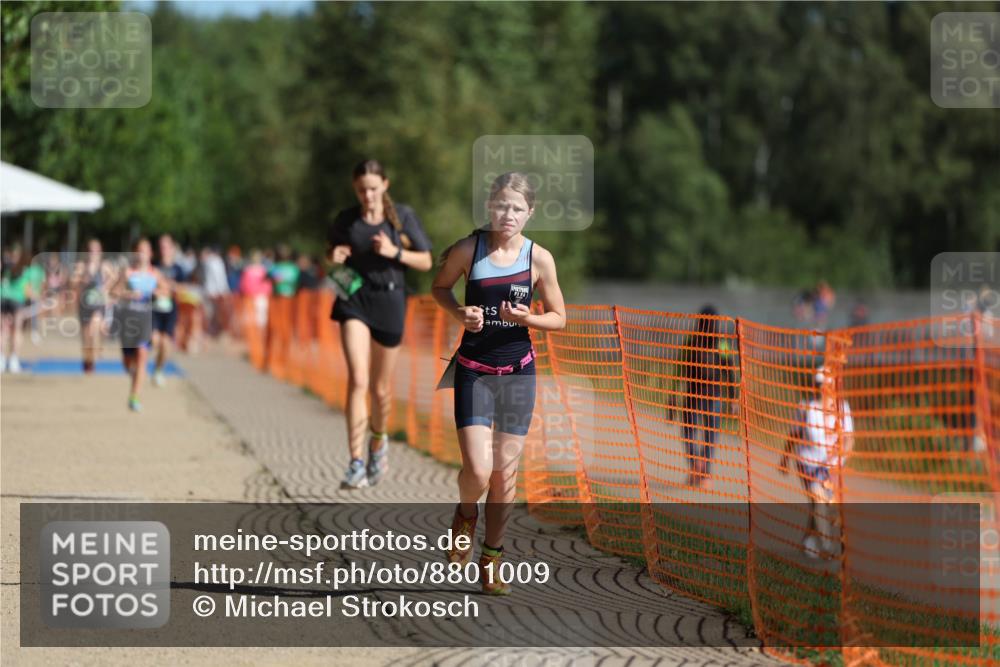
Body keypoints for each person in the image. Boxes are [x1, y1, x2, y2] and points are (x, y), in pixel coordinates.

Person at [431, 172, 566, 595]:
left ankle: (492, 558)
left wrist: (528, 318)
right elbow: (439, 288)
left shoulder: (539, 258)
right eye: (502, 205)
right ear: (490, 205)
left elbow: (560, 317)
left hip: (518, 374)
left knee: (506, 476)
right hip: (473, 369)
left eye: (517, 208)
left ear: (530, 213)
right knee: (477, 469)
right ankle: (465, 514)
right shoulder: (469, 249)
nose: (508, 214)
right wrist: (458, 313)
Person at [327, 159, 433, 489]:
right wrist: (334, 257)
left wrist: (394, 252)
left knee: (380, 388)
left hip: (390, 301)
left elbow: (426, 260)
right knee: (358, 378)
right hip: (355, 299)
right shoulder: (346, 219)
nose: (367, 195)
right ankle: (355, 462)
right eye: (361, 190)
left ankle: (378, 441)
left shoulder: (401, 217)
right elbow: (331, 257)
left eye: (373, 188)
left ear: (385, 184)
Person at [780, 364, 854, 560]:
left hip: (831, 466)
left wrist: (840, 459)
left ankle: (808, 541)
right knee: (818, 498)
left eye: (825, 385)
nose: (822, 389)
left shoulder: (841, 407)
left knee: (823, 505)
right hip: (807, 462)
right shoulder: (806, 407)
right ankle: (828, 547)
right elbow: (794, 435)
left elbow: (849, 438)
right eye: (818, 384)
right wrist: (784, 459)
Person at [679, 305, 736, 490]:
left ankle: (698, 468)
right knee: (709, 434)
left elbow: (679, 370)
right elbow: (730, 371)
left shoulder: (692, 341)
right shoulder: (721, 344)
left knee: (690, 433)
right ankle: (703, 472)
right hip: (710, 395)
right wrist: (733, 398)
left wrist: (673, 394)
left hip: (695, 394)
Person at [111, 238, 162, 412]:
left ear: (151, 254)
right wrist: (129, 293)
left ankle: (135, 396)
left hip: (146, 319)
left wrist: (157, 292)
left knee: (142, 353)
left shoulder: (155, 273)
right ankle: (135, 376)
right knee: (127, 362)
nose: (142, 254)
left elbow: (166, 290)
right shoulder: (128, 272)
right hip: (128, 321)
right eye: (139, 250)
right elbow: (114, 291)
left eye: (146, 250)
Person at [71, 239, 113, 373]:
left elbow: (115, 278)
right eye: (90, 250)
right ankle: (88, 361)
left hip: (98, 304)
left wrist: (105, 287)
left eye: (96, 250)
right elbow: (72, 282)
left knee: (93, 330)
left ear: (100, 252)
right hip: (84, 305)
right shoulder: (81, 266)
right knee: (86, 337)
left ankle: (94, 357)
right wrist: (82, 280)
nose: (93, 253)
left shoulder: (104, 266)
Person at [151, 235, 186, 386]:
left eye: (166, 246)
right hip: (154, 309)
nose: (163, 249)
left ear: (172, 248)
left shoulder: (178, 269)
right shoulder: (154, 266)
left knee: (166, 344)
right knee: (155, 341)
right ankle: (148, 362)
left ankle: (158, 370)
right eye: (161, 246)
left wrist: (172, 287)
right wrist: (156, 289)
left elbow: (183, 289)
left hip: (170, 310)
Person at [0, 245, 34, 373]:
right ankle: (13, 360)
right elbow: (27, 290)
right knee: (16, 330)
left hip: (3, 298)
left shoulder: (4, 268)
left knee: (3, 330)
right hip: (16, 301)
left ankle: (2, 360)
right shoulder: (25, 270)